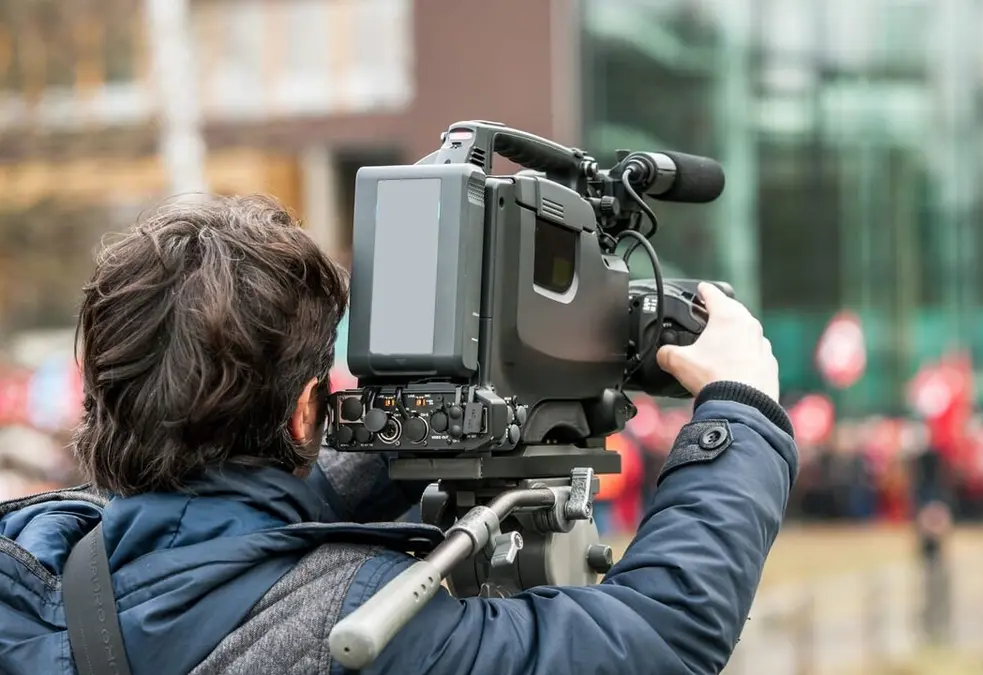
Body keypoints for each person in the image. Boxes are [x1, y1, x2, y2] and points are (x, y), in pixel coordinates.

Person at [0, 195, 797, 675]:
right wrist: (741, 410)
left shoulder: (30, 557)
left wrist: (444, 420)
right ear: (309, 411)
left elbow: (225, 523)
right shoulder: (354, 627)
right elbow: (659, 639)